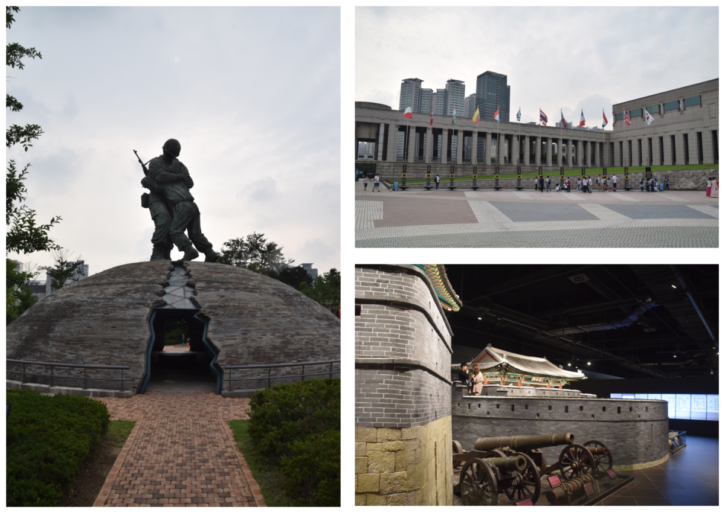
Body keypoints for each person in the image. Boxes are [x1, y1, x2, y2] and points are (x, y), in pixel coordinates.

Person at [145, 139, 218, 262]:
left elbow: (188, 181)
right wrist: (178, 177)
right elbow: (159, 177)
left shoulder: (179, 165)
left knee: (175, 230)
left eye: (172, 155)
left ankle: (189, 250)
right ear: (163, 151)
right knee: (164, 221)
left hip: (178, 202)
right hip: (160, 198)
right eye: (169, 154)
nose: (170, 157)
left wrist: (178, 179)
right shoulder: (155, 162)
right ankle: (160, 252)